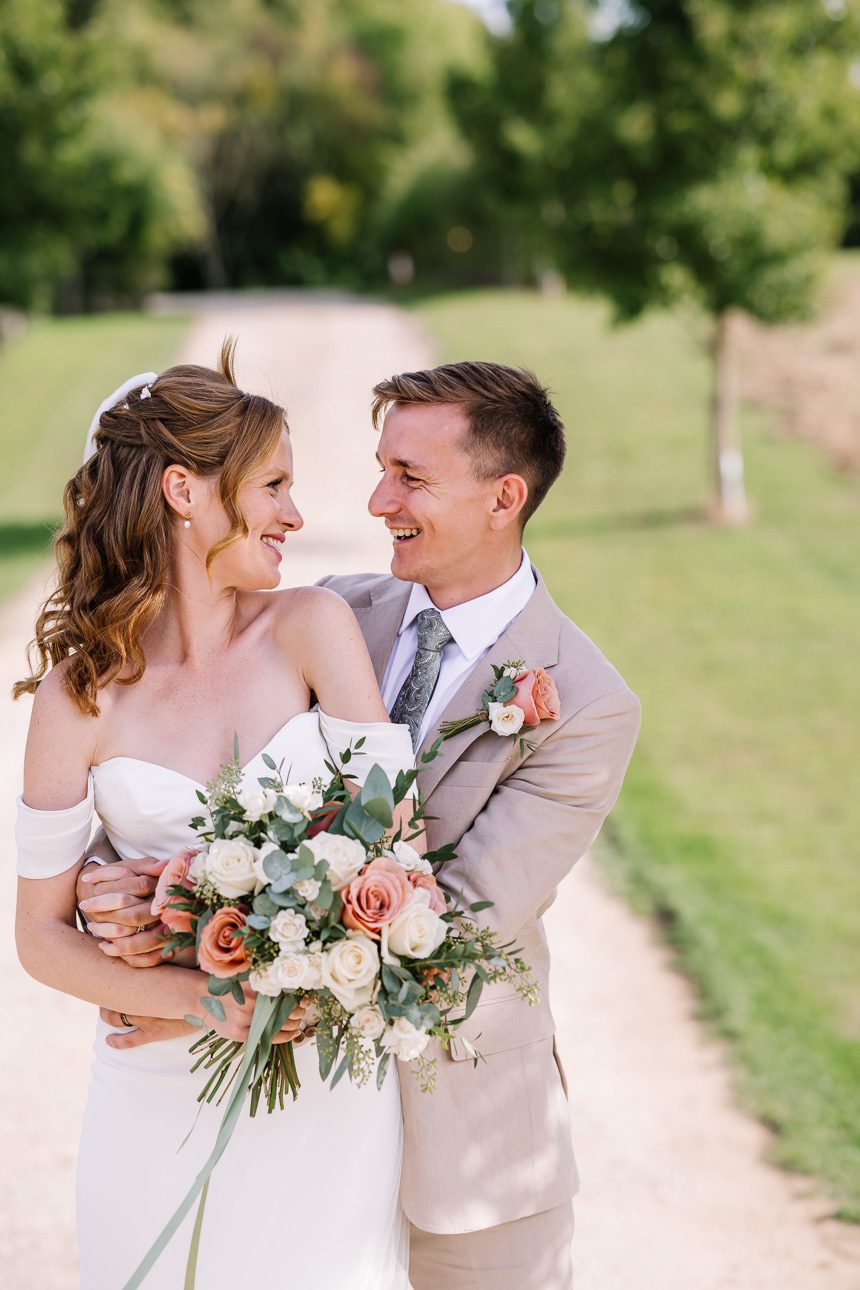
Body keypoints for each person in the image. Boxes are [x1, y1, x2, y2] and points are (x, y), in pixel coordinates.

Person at [82, 360, 641, 1290]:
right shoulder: (321, 614)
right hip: (293, 1120)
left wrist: (186, 929)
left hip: (461, 1144)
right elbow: (181, 750)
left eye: (410, 478)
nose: (379, 500)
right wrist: (121, 878)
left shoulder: (585, 706)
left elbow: (446, 929)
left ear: (506, 496)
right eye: (381, 468)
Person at [14, 343, 413, 1289]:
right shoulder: (80, 696)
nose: (296, 514)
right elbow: (38, 937)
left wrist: (275, 982)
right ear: (184, 491)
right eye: (273, 484)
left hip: (324, 1089)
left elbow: (401, 864)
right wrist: (207, 1001)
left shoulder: (312, 629)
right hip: (155, 1092)